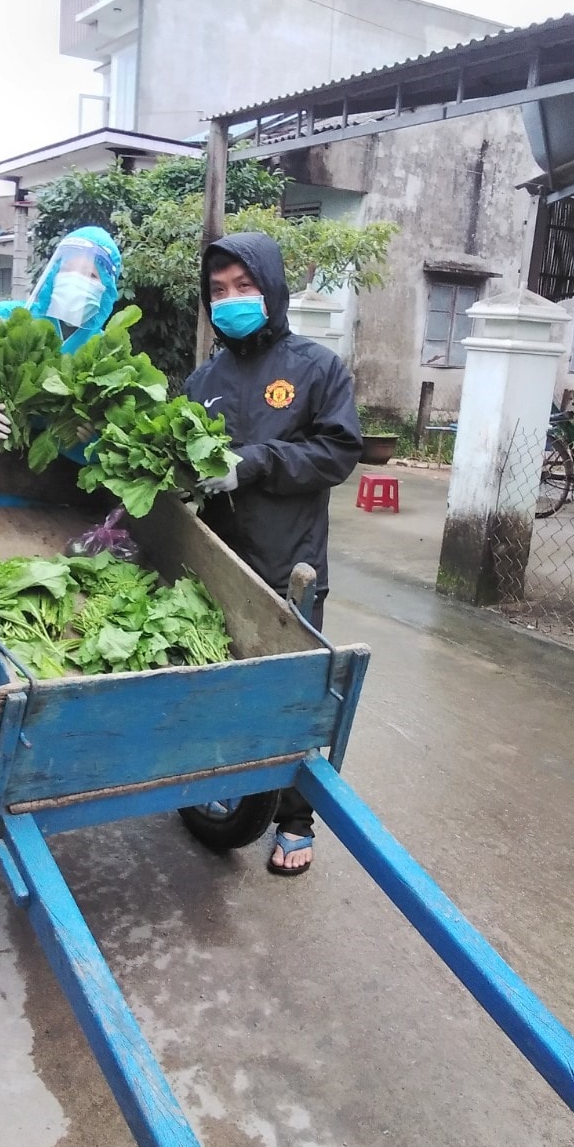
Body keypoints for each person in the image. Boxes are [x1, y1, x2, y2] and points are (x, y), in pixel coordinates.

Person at [184, 231, 362, 877]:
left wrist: (255, 463)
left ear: (272, 288)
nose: (231, 300)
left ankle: (293, 817)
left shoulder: (316, 368)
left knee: (292, 693)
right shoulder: (203, 378)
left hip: (290, 564)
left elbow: (338, 451)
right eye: (219, 291)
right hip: (216, 560)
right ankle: (217, 782)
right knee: (220, 676)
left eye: (244, 286)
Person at [0, 225, 122, 505]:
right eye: (68, 269)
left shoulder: (106, 352)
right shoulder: (7, 318)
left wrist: (90, 439)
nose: (77, 280)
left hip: (49, 498)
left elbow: (113, 437)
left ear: (107, 289)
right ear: (54, 272)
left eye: (91, 275)